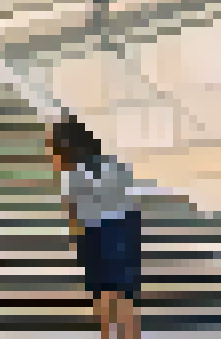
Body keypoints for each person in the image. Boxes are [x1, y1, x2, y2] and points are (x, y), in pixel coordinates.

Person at [51, 115, 143, 339]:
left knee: (102, 295)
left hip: (95, 233)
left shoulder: (72, 177)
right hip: (126, 228)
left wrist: (75, 243)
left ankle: (106, 334)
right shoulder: (112, 163)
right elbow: (132, 200)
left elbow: (74, 216)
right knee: (126, 296)